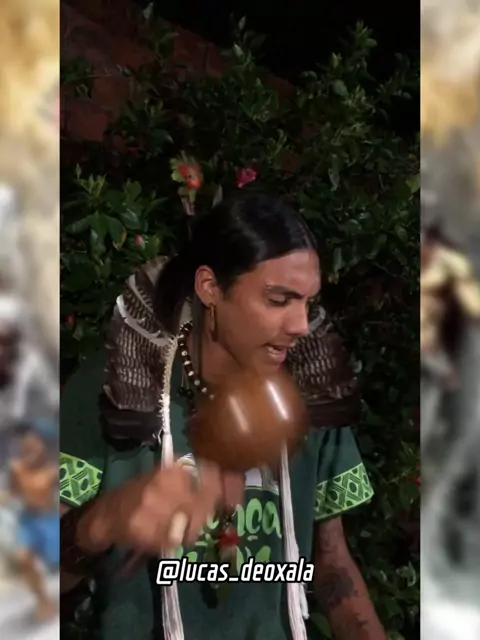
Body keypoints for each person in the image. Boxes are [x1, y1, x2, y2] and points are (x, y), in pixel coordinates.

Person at [60, 192, 386, 639]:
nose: (300, 325)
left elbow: (333, 563)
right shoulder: (114, 387)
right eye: (279, 300)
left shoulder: (308, 396)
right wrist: (100, 523)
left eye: (308, 303)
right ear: (210, 288)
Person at [6, 420, 59, 621]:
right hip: (28, 522)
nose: (30, 451)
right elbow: (12, 494)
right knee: (23, 557)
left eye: (34, 447)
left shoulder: (53, 471)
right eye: (26, 447)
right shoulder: (16, 469)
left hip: (50, 521)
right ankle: (43, 601)